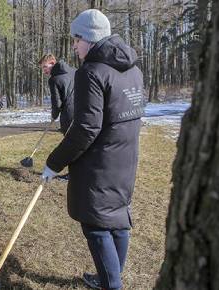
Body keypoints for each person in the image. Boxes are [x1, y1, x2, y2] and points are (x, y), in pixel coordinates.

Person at [41, 9, 146, 290]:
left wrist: (54, 162)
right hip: (126, 156)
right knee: (117, 218)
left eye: (77, 39)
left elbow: (86, 128)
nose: (74, 46)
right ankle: (108, 278)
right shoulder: (134, 68)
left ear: (90, 38)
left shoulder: (91, 72)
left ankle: (112, 285)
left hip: (100, 160)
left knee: (97, 223)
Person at [38, 54, 75, 135]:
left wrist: (54, 116)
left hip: (69, 115)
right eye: (42, 68)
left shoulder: (53, 80)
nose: (44, 71)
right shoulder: (74, 71)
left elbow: (57, 103)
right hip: (84, 113)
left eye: (45, 67)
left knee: (71, 144)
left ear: (52, 63)